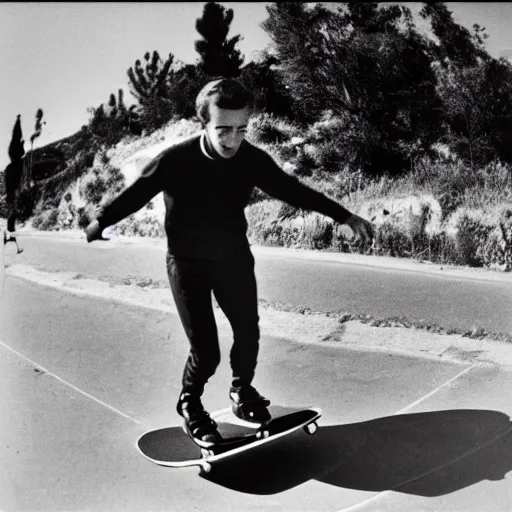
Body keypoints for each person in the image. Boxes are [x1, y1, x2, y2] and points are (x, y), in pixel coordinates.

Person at [85, 78, 375, 446]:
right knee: (206, 351)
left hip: (233, 256)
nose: (233, 140)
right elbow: (139, 191)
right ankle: (190, 402)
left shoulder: (252, 160)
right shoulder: (176, 160)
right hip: (187, 262)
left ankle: (242, 391)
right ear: (203, 124)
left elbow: (292, 190)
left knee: (248, 333)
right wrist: (101, 220)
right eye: (223, 130)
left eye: (241, 130)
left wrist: (344, 216)